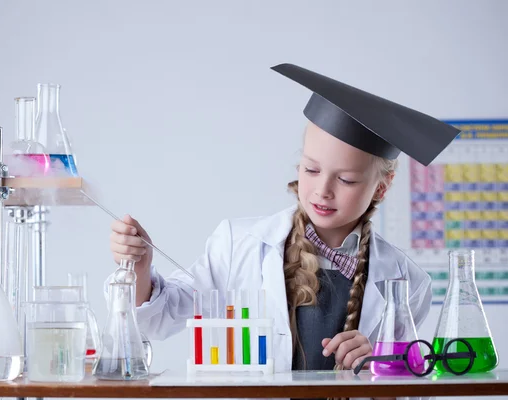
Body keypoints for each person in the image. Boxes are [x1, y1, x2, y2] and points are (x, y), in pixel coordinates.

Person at [109, 63, 460, 372]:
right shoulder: (237, 245)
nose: (323, 190)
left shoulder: (407, 282)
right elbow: (159, 321)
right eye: (311, 169)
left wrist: (379, 364)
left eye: (346, 179)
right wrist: (140, 269)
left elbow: (408, 382)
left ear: (382, 187)